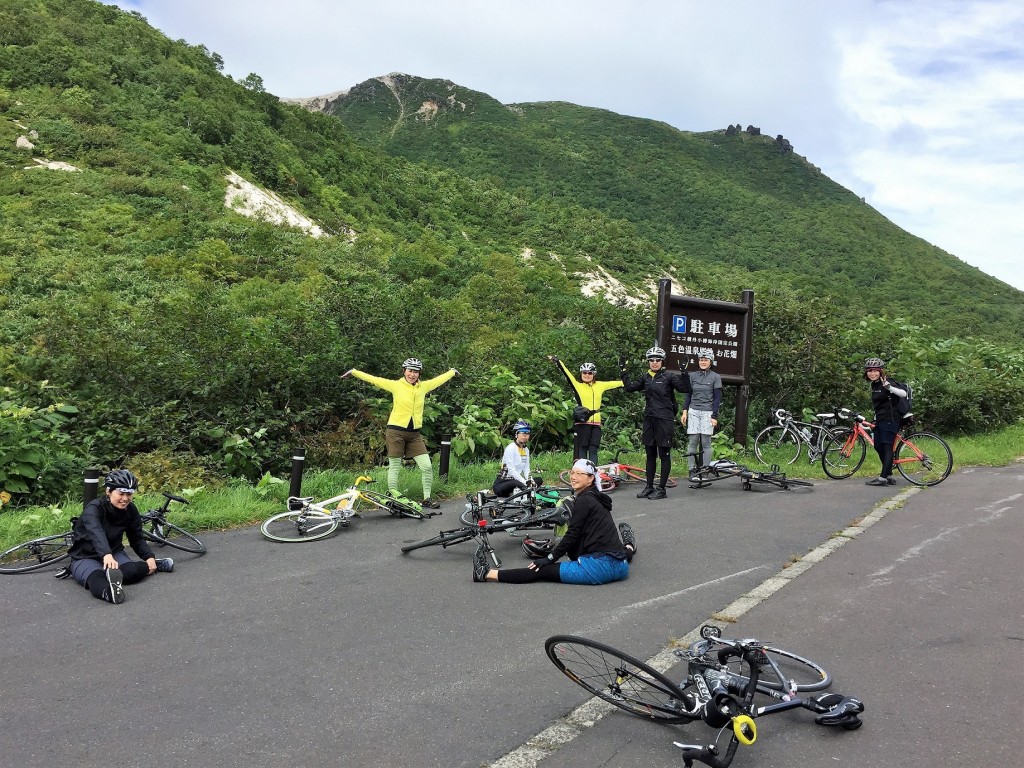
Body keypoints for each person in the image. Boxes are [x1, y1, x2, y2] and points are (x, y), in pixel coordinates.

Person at [473, 459, 633, 584]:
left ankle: (487, 574)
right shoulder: (598, 497)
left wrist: (549, 558)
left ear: (591, 478)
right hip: (621, 565)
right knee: (617, 549)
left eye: (580, 474)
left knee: (541, 570)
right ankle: (629, 545)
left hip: (598, 569)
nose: (573, 477)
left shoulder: (584, 501)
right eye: (572, 472)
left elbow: (572, 535)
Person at [343, 358, 457, 509]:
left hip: (414, 434)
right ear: (404, 371)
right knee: (395, 466)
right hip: (396, 431)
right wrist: (354, 372)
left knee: (427, 467)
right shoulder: (396, 385)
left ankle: (427, 498)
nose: (412, 374)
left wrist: (452, 372)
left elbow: (438, 380)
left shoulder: (423, 387)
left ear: (419, 373)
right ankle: (393, 496)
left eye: (415, 371)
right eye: (410, 370)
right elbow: (375, 380)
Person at [68, 469, 174, 605]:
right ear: (109, 491)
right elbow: (96, 532)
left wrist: (149, 556)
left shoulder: (131, 510)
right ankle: (110, 593)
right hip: (85, 555)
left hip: (113, 552)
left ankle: (155, 565)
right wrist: (106, 555)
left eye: (129, 494)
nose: (125, 498)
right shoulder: (93, 508)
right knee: (96, 578)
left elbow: (136, 537)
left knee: (131, 572)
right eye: (121, 493)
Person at [621, 345, 691, 500]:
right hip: (649, 419)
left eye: (657, 360)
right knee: (650, 455)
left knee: (664, 455)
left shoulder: (669, 376)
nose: (654, 362)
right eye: (651, 360)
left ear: (662, 361)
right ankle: (649, 486)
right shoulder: (646, 377)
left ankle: (662, 489)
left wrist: (684, 372)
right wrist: (623, 371)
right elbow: (629, 388)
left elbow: (685, 389)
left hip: (664, 419)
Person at [549, 356, 623, 464]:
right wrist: (558, 361)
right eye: (584, 373)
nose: (587, 375)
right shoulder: (578, 386)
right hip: (583, 422)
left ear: (594, 374)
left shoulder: (600, 385)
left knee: (593, 450)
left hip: (596, 423)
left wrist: (628, 379)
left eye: (589, 373)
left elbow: (617, 383)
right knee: (582, 449)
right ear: (581, 374)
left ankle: (593, 473)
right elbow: (567, 374)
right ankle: (583, 474)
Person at [863, 357, 908, 487]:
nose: (872, 373)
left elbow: (903, 394)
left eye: (875, 371)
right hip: (881, 419)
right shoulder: (874, 384)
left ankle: (883, 478)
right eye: (869, 371)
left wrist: (889, 388)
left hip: (891, 419)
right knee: (878, 446)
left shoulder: (887, 382)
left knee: (887, 447)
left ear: (881, 371)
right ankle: (888, 475)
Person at [681, 348, 723, 480]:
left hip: (707, 412)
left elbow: (717, 398)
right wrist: (684, 411)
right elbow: (688, 394)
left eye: (706, 360)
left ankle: (705, 469)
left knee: (706, 442)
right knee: (692, 441)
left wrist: (714, 416)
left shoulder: (716, 377)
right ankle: (692, 469)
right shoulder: (692, 376)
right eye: (701, 359)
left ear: (711, 362)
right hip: (693, 411)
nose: (703, 362)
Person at [494, 420, 536, 497]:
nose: (525, 436)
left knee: (538, 480)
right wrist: (524, 482)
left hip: (517, 481)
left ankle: (525, 491)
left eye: (527, 434)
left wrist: (531, 481)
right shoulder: (510, 448)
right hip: (503, 483)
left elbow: (526, 469)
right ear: (516, 434)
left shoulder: (526, 450)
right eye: (523, 433)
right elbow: (511, 470)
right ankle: (528, 492)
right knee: (516, 483)